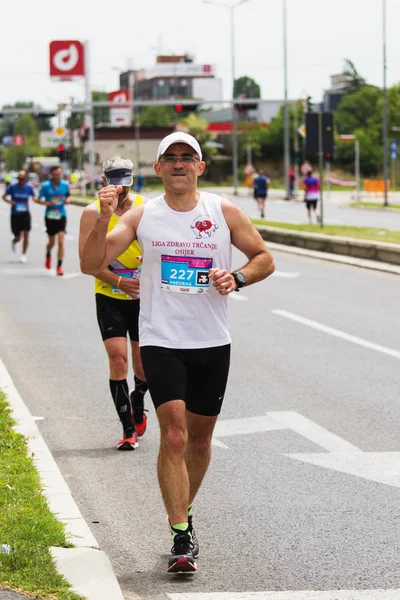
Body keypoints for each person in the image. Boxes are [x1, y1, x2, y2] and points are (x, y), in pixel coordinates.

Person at [81, 131, 275, 574]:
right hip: (161, 339)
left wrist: (238, 278)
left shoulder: (222, 211)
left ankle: (182, 509)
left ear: (200, 168)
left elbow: (264, 257)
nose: (179, 164)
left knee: (201, 439)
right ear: (159, 168)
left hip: (212, 341)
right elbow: (93, 262)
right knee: (173, 434)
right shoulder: (144, 215)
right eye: (170, 158)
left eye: (188, 157)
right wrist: (102, 218)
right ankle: (181, 536)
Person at [78, 157, 148, 451]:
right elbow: (87, 262)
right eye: (114, 181)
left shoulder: (147, 207)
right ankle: (128, 429)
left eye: (125, 181)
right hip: (109, 295)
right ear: (105, 181)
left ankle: (138, 399)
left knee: (144, 366)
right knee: (118, 358)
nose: (120, 188)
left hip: (143, 297)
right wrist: (119, 281)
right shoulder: (91, 213)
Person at [36, 165, 71, 276]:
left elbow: (68, 196)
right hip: (50, 216)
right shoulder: (46, 186)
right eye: (56, 174)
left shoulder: (65, 184)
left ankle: (59, 266)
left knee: (61, 240)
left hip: (61, 215)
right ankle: (48, 254)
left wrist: (67, 200)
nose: (58, 176)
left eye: (60, 174)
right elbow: (38, 200)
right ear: (52, 174)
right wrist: (47, 203)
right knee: (52, 242)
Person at [2, 170, 37, 262]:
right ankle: (14, 241)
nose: (21, 180)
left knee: (26, 234)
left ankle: (24, 254)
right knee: (18, 237)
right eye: (19, 178)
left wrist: (44, 202)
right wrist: (11, 202)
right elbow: (4, 196)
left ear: (25, 179)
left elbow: (34, 197)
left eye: (23, 178)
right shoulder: (12, 187)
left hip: (25, 214)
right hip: (15, 214)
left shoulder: (29, 188)